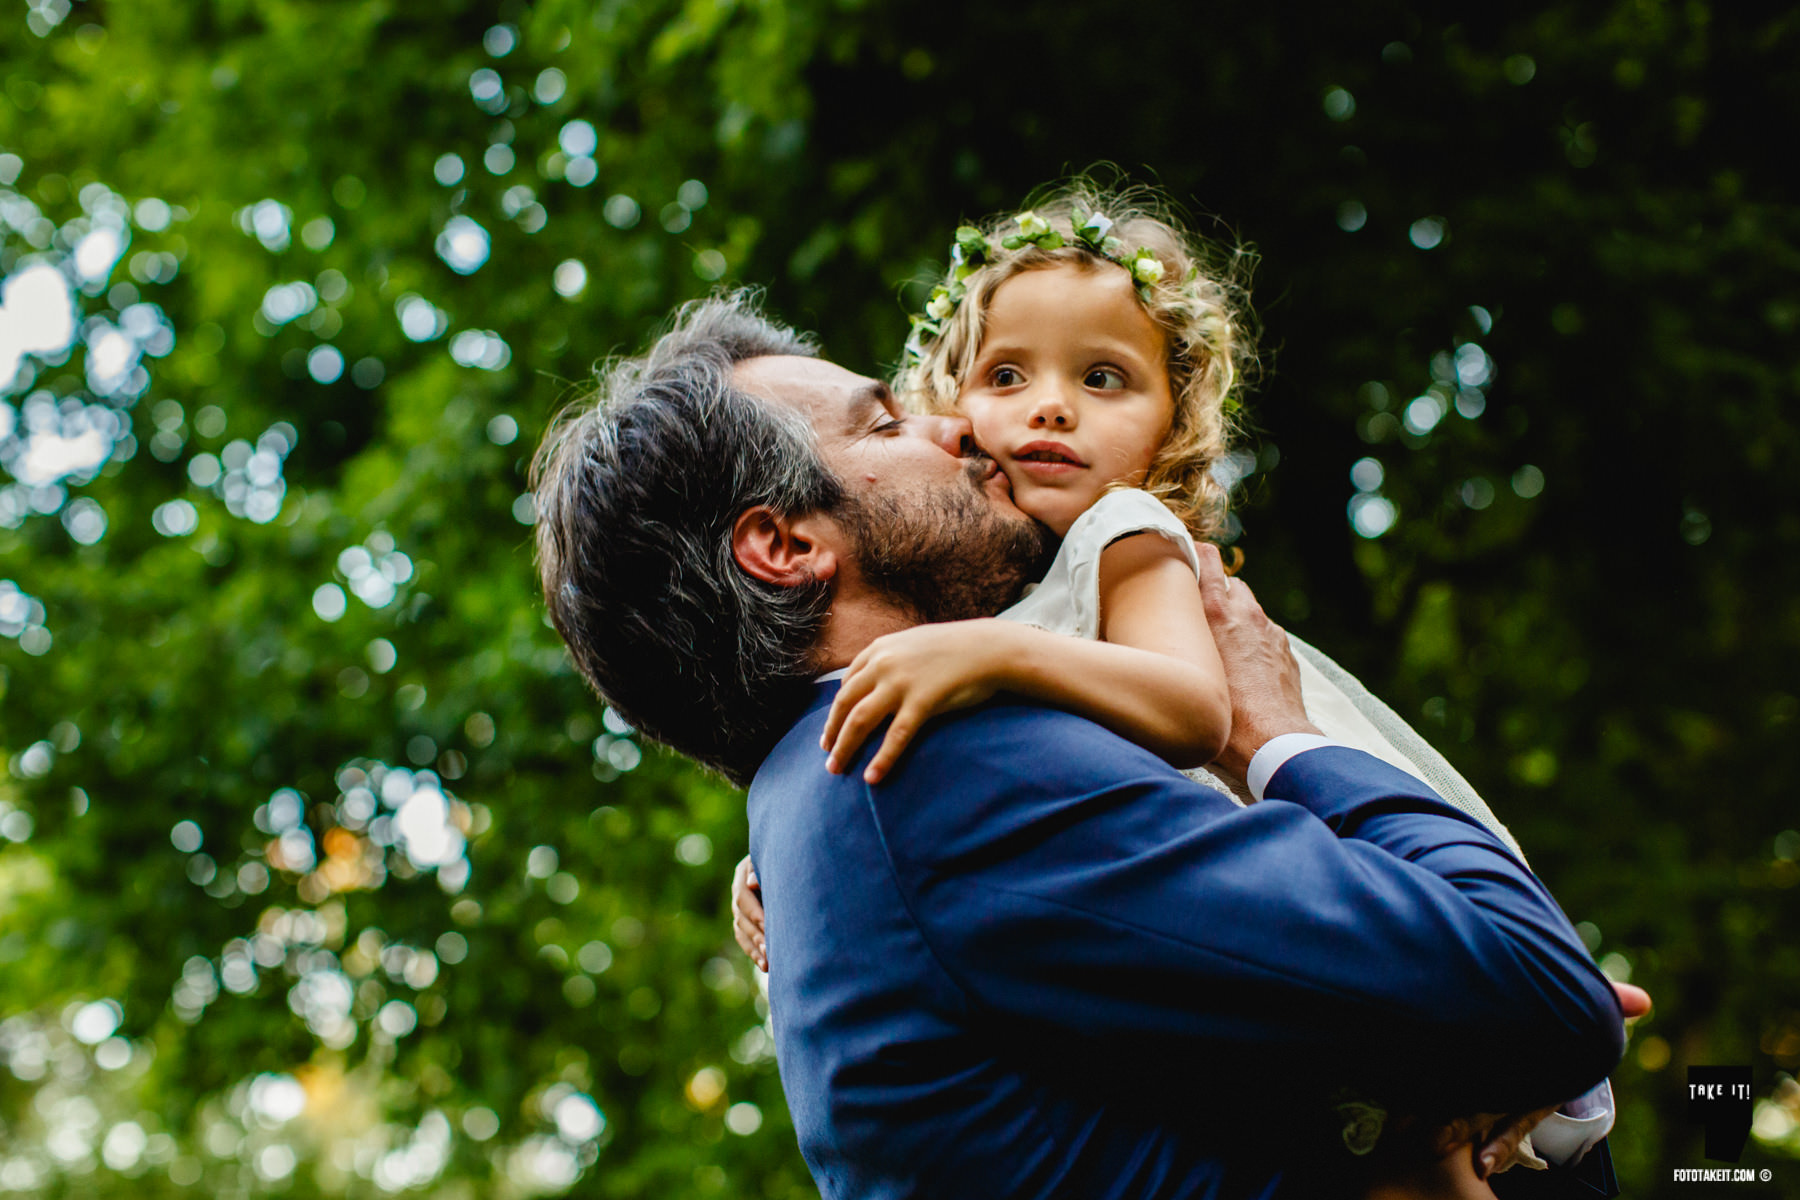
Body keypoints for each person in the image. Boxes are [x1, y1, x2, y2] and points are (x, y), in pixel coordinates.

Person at [531, 290, 1628, 1199]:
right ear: (785, 544)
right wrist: (1278, 735)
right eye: (882, 425)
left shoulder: (818, 813)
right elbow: (1541, 992)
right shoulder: (932, 769)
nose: (955, 424)